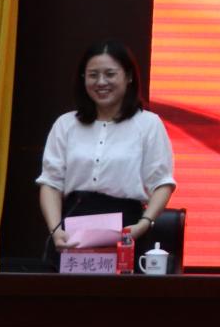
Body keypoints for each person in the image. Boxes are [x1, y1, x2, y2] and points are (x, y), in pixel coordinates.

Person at [37, 39, 176, 266]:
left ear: (128, 76)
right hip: (73, 228)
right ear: (83, 78)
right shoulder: (65, 124)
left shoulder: (148, 124)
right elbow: (51, 184)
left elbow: (162, 183)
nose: (101, 82)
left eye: (110, 74)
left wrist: (144, 224)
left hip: (127, 228)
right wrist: (55, 230)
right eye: (93, 75)